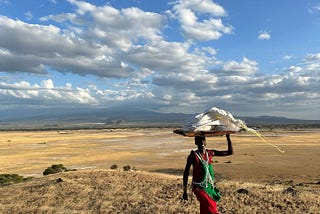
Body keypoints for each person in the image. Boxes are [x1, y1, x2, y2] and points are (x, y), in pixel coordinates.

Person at [182, 134, 233, 214]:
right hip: (199, 188)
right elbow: (186, 173)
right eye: (199, 140)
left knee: (205, 210)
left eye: (203, 139)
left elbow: (230, 152)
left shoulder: (210, 153)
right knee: (211, 209)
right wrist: (185, 191)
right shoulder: (193, 156)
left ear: (205, 142)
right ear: (196, 142)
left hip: (210, 187)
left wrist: (228, 137)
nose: (201, 142)